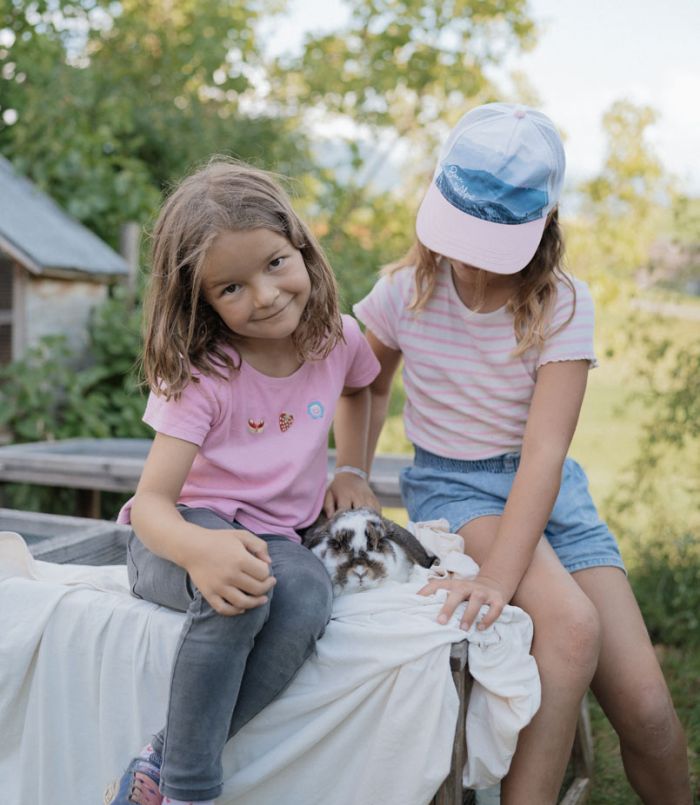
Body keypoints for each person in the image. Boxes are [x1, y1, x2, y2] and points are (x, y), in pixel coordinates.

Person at [354, 103, 691, 805]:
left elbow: (544, 453)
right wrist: (352, 467)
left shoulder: (563, 304)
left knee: (652, 713)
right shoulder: (404, 292)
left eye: (491, 241)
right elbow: (362, 379)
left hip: (551, 491)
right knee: (569, 629)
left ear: (541, 227)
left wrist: (501, 578)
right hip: (457, 486)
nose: (471, 262)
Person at [106, 159, 380, 805]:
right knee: (241, 596)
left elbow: (364, 387)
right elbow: (151, 504)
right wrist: (199, 550)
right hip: (177, 538)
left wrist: (352, 467)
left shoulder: (335, 339)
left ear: (303, 248)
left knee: (308, 594)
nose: (263, 295)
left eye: (276, 263)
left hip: (274, 534)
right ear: (199, 299)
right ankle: (188, 789)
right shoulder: (206, 374)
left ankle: (162, 756)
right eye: (230, 288)